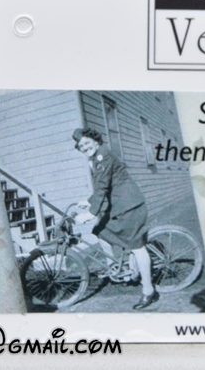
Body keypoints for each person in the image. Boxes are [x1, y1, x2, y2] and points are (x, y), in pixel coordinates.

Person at [72, 127, 159, 310]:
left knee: (137, 247)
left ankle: (148, 290)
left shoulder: (103, 156)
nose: (85, 147)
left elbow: (103, 186)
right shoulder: (97, 158)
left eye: (87, 143)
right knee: (101, 232)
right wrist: (89, 202)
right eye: (81, 146)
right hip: (121, 205)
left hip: (130, 206)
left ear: (96, 141)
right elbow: (105, 186)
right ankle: (116, 269)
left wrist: (90, 213)